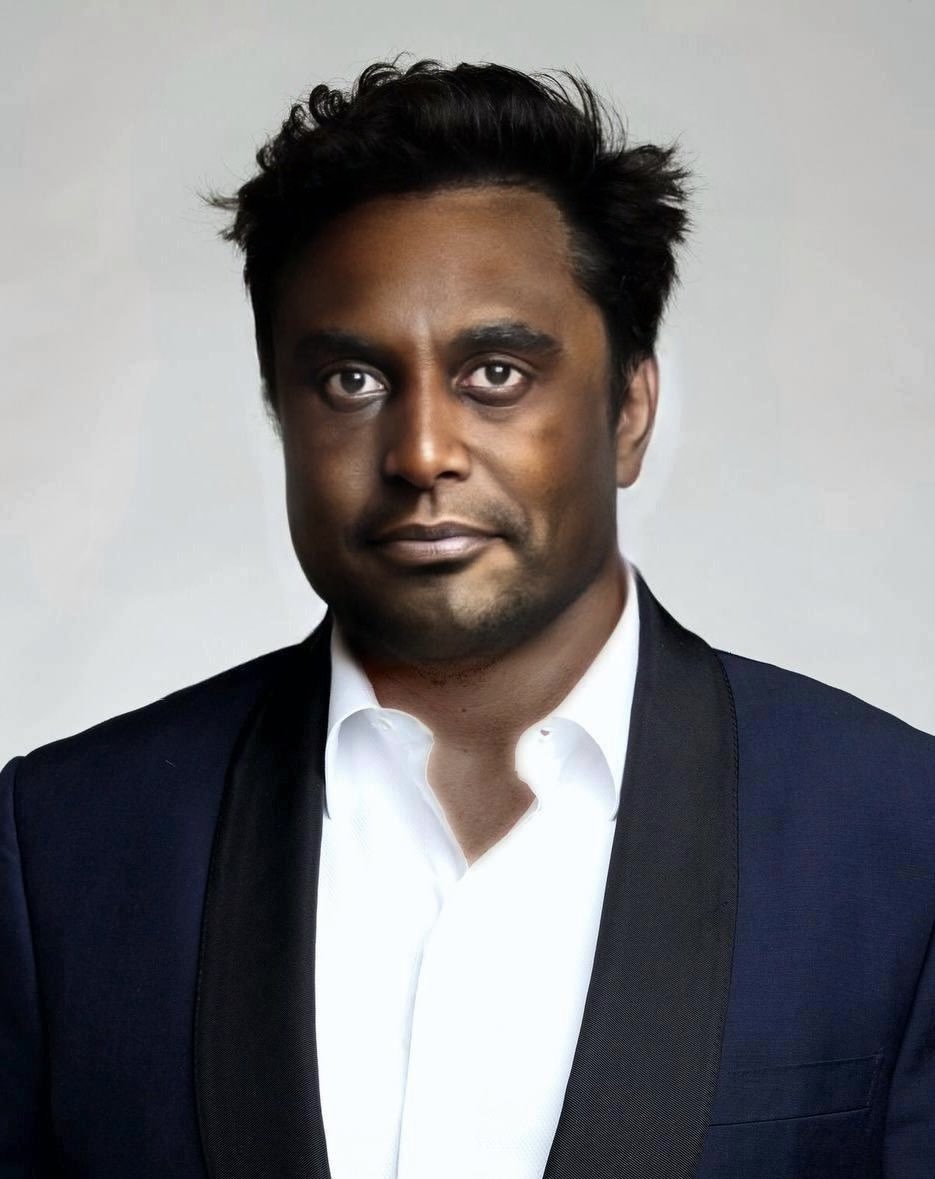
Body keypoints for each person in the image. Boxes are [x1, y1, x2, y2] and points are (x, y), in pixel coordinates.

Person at [1, 58, 932, 1179]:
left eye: (495, 372)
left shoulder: (896, 837)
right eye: (351, 381)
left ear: (628, 411)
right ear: (279, 411)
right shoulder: (64, 846)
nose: (421, 452)